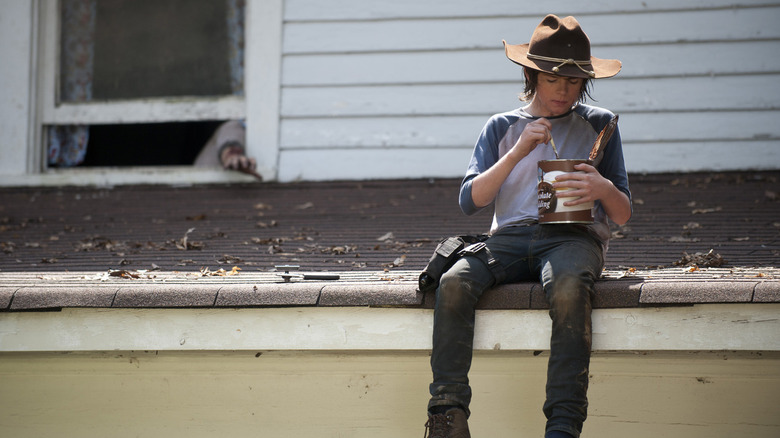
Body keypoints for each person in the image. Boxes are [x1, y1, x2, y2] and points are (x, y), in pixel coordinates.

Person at [424, 15, 632, 438]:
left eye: (573, 81)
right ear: (531, 75)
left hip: (574, 238)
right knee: (454, 281)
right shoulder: (501, 125)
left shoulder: (600, 123)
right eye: (553, 79)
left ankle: (563, 425)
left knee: (570, 288)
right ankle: (447, 414)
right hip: (510, 238)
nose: (563, 90)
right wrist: (518, 150)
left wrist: (601, 186)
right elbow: (470, 201)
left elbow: (624, 212)